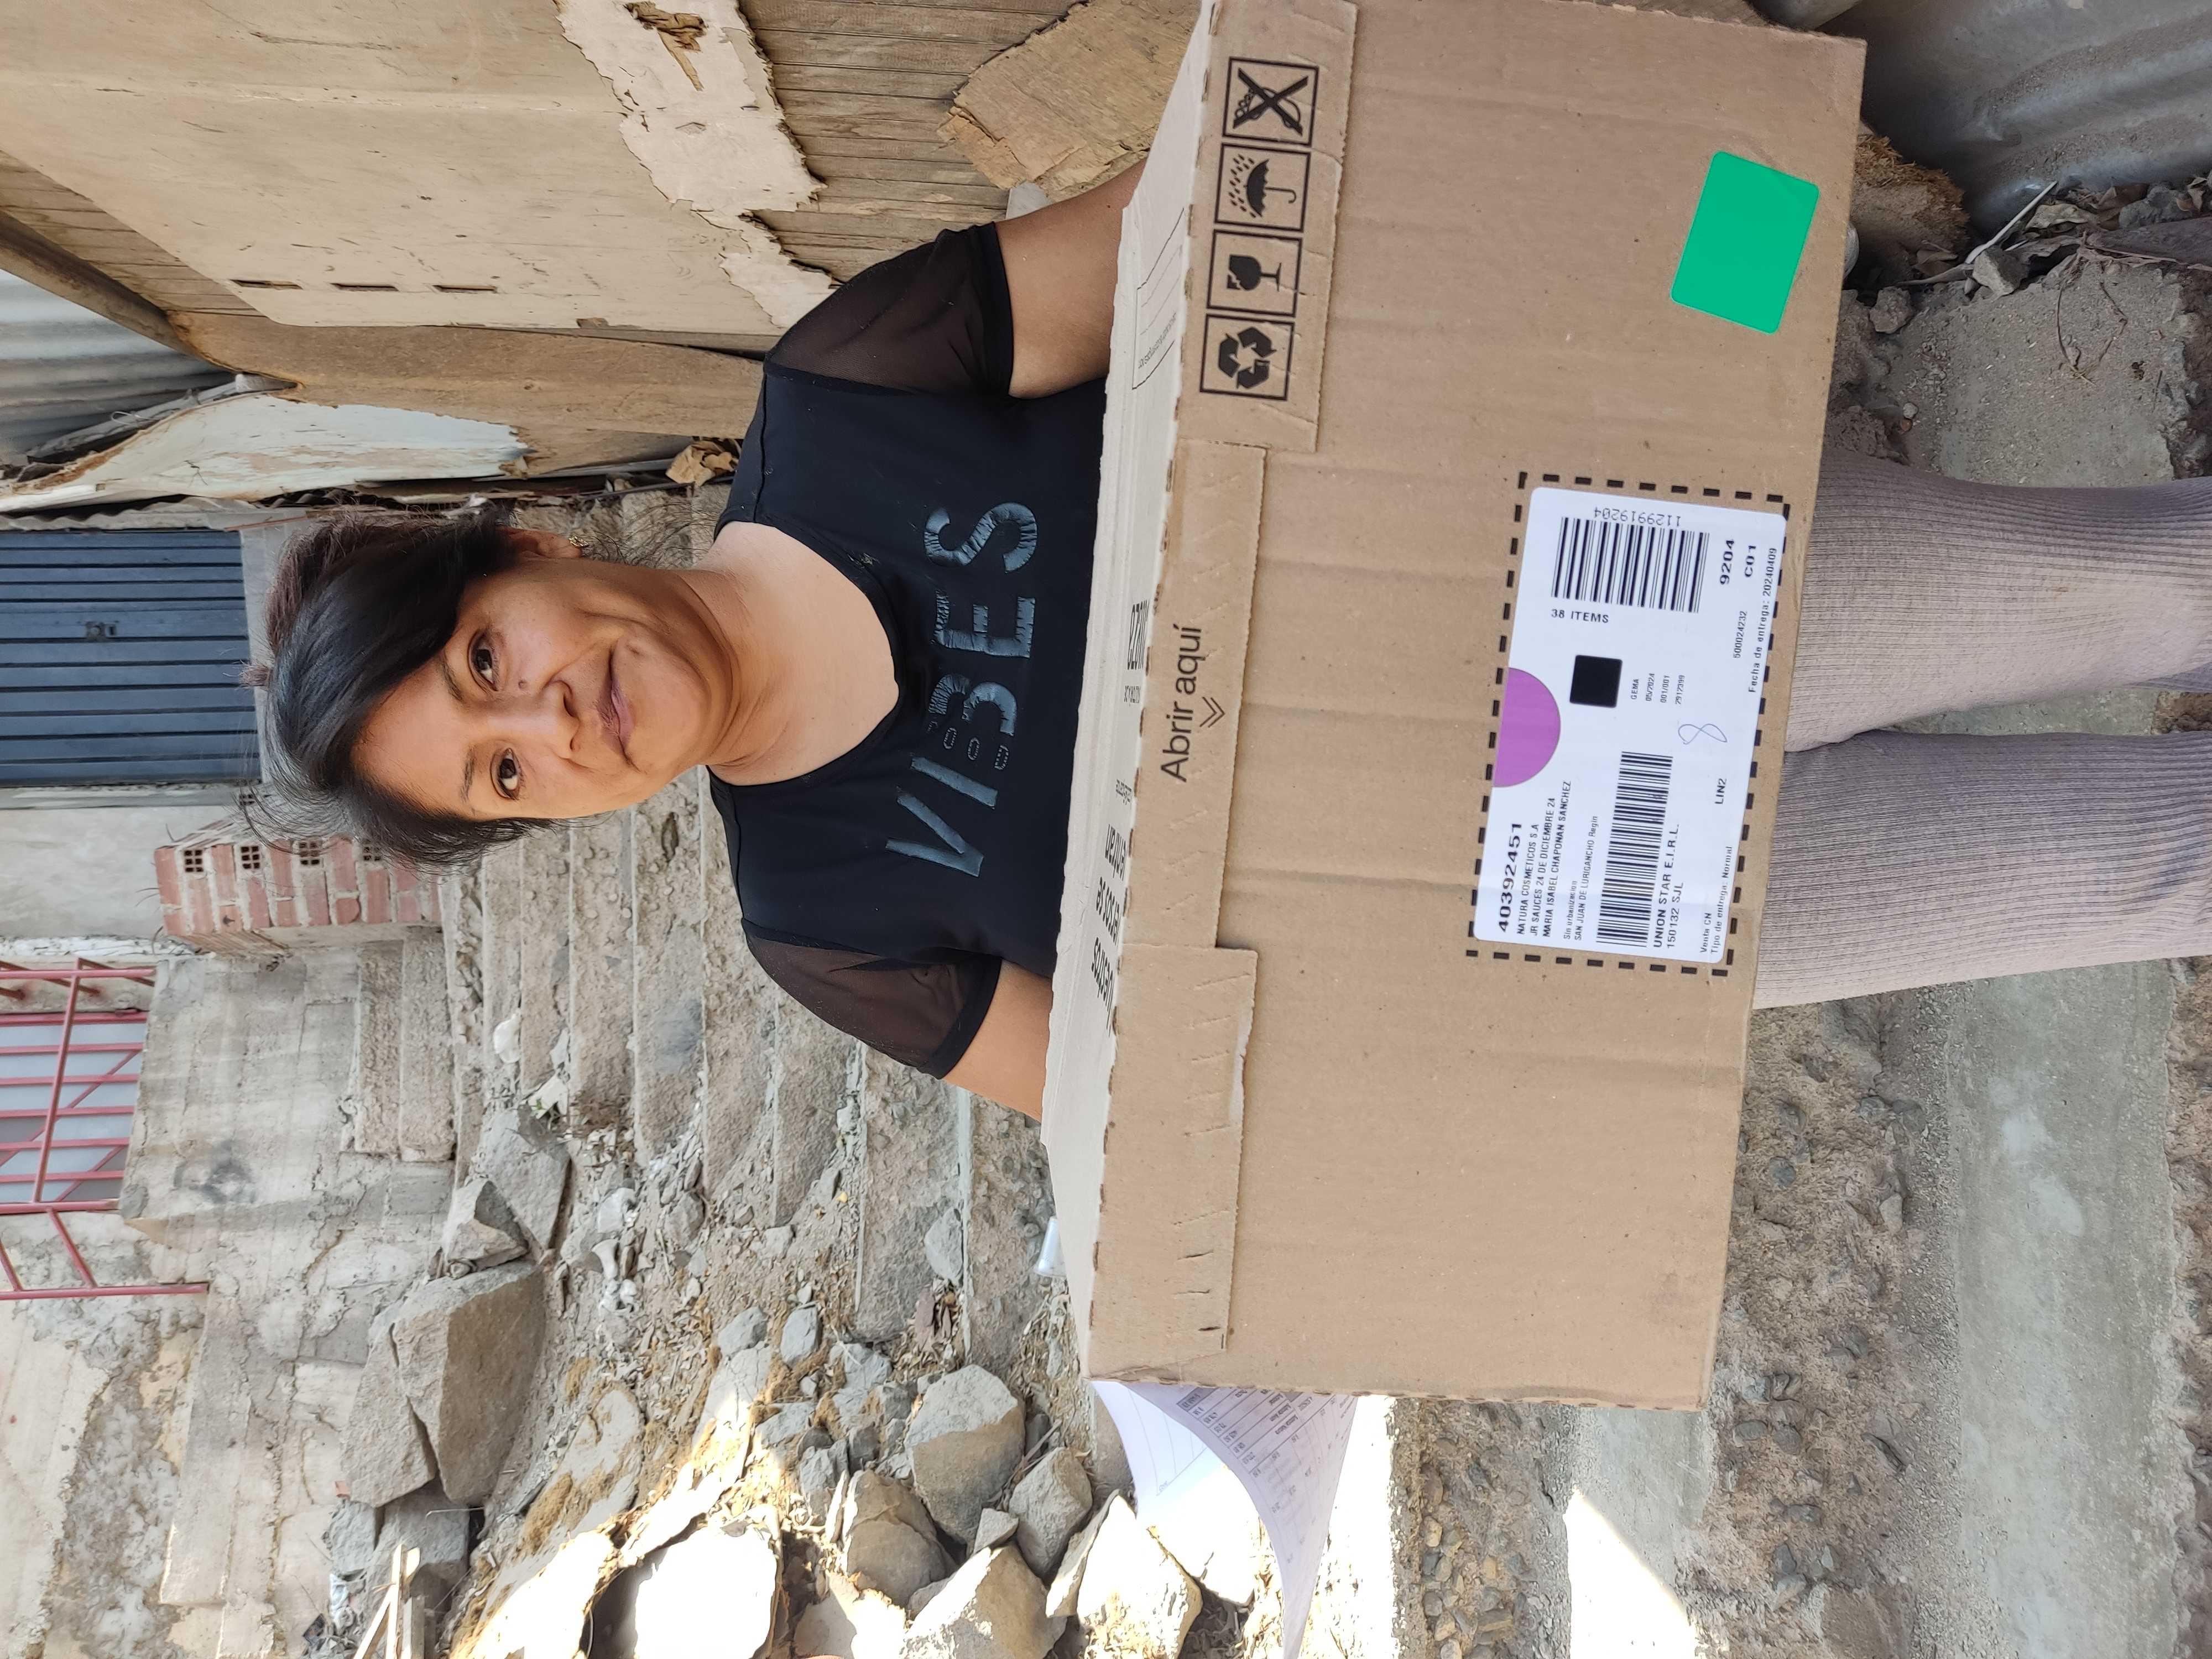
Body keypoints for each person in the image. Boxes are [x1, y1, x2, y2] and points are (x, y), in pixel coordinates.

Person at [249, 161, 2212, 1119]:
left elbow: (1269, 194)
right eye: (502, 777)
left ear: (523, 548)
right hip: (1595, 897)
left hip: (1618, 585)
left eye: (486, 661)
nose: (553, 723)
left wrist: (1711, 214)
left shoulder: (854, 389)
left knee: (2142, 584)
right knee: (2145, 871)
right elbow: (1171, 1119)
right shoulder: (827, 925)